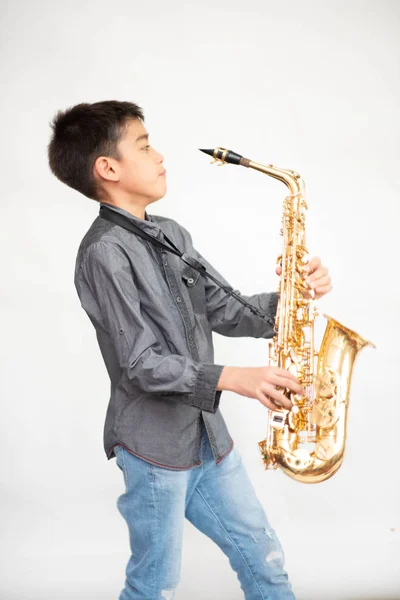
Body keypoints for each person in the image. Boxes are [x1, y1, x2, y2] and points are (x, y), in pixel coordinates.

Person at [47, 100, 332, 600]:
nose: (159, 155)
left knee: (263, 556)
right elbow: (140, 364)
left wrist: (294, 297)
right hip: (153, 448)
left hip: (207, 436)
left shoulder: (172, 234)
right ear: (107, 168)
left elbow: (226, 309)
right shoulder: (103, 252)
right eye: (144, 144)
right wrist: (234, 377)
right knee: (153, 585)